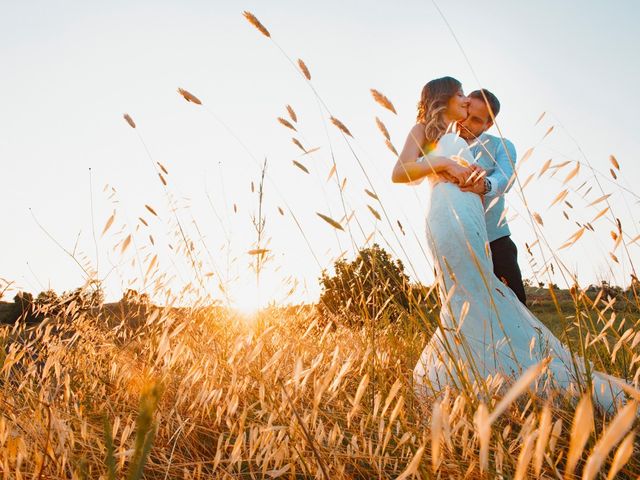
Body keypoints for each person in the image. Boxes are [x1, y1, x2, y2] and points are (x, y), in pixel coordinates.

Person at [391, 76, 624, 411]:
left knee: (507, 303)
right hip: (448, 222)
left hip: (493, 236)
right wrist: (444, 163)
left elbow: (502, 180)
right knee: (464, 296)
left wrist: (482, 184)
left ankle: (518, 373)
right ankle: (479, 377)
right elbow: (405, 171)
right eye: (467, 107)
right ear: (455, 102)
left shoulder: (500, 146)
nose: (472, 121)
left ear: (490, 123)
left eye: (479, 119)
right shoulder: (436, 135)